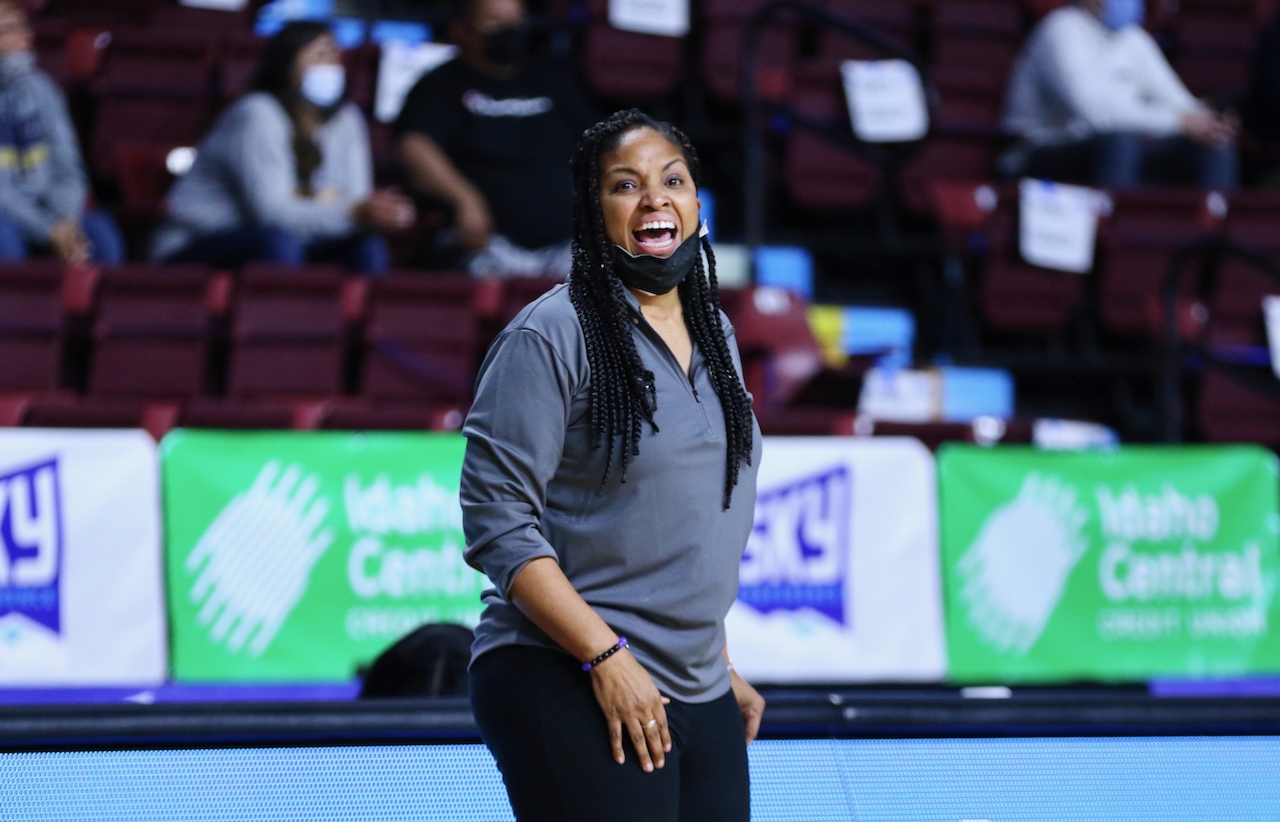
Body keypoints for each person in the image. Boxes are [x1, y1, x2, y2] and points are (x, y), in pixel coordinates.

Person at [462, 109, 765, 822]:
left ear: (696, 205)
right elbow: (498, 523)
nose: (655, 197)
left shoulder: (716, 333)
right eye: (626, 185)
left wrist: (715, 660)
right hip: (564, 665)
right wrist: (605, 657)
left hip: (693, 677)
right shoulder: (550, 334)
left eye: (673, 181)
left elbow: (691, 515)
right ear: (593, 211)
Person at [150, 21, 413, 274]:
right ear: (286, 65)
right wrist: (355, 214)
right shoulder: (256, 113)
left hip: (298, 240)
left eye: (335, 56)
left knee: (367, 245)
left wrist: (376, 212)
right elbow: (272, 215)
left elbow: (355, 200)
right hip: (199, 242)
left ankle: (369, 308)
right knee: (278, 243)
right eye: (318, 56)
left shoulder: (347, 118)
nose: (331, 67)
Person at [395, 0, 596, 279]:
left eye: (515, 21)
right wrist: (465, 200)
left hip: (566, 245)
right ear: (461, 29)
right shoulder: (440, 84)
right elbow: (415, 146)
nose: (508, 30)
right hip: (487, 246)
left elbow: (596, 141)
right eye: (494, 21)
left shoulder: (551, 79)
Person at [1001, 0, 1240, 190]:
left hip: (1116, 149)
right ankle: (1117, 233)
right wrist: (1179, 121)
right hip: (1043, 150)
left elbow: (1179, 102)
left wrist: (1210, 121)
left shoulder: (1133, 38)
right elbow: (1097, 116)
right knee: (1119, 143)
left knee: (1214, 144)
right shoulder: (1060, 29)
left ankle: (1213, 235)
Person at [0, 0, 123, 264]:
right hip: (7, 212)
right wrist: (46, 229)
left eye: (24, 26)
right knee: (5, 242)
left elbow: (69, 166)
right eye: (9, 29)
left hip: (49, 209)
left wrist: (67, 220)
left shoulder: (42, 88)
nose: (26, 36)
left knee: (102, 239)